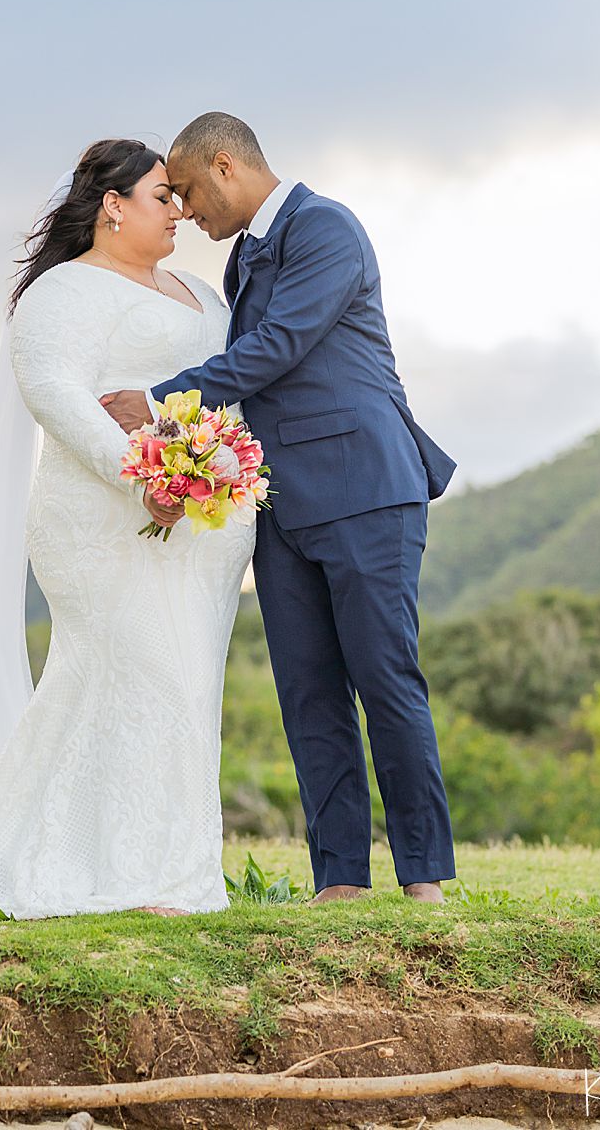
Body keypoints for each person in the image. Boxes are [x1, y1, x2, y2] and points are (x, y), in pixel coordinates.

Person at [0, 137, 255, 918]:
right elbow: (55, 390)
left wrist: (215, 470)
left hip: (203, 530)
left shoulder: (198, 293)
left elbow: (230, 386)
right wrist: (143, 476)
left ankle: (151, 860)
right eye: (161, 195)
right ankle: (134, 874)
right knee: (148, 671)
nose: (178, 210)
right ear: (112, 206)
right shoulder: (64, 292)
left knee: (179, 684)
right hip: (102, 523)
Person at [102, 111, 456, 902]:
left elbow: (277, 348)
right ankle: (341, 883)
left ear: (227, 166)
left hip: (367, 489)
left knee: (384, 678)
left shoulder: (325, 227)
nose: (187, 213)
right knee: (307, 690)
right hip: (279, 507)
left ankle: (425, 879)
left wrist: (161, 402)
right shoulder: (244, 264)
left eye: (189, 192)